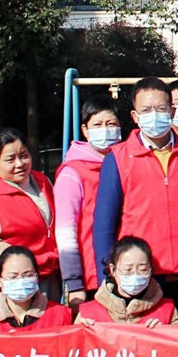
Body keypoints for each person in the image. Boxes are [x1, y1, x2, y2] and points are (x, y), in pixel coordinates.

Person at [93, 76, 178, 321]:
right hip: (140, 278)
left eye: (161, 109)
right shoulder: (118, 159)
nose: (154, 115)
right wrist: (108, 279)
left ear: (172, 111)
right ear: (135, 116)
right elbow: (104, 225)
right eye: (146, 110)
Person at [0, 129, 63, 302]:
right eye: (10, 159)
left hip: (51, 277)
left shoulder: (43, 182)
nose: (19, 163)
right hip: (15, 287)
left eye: (24, 156)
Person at [53, 96, 123, 300]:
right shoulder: (72, 173)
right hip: (92, 276)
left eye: (111, 124)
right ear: (85, 130)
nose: (105, 130)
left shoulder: (126, 164)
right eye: (97, 125)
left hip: (129, 272)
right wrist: (74, 282)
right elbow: (66, 231)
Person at [74, 236, 176, 325]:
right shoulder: (88, 313)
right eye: (128, 269)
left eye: (143, 269)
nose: (135, 275)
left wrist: (164, 332)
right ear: (113, 270)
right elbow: (71, 341)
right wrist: (81, 332)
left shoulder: (167, 311)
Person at [0, 245, 75, 332]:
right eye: (13, 277)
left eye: (28, 275)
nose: (21, 281)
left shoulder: (61, 315)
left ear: (37, 277)